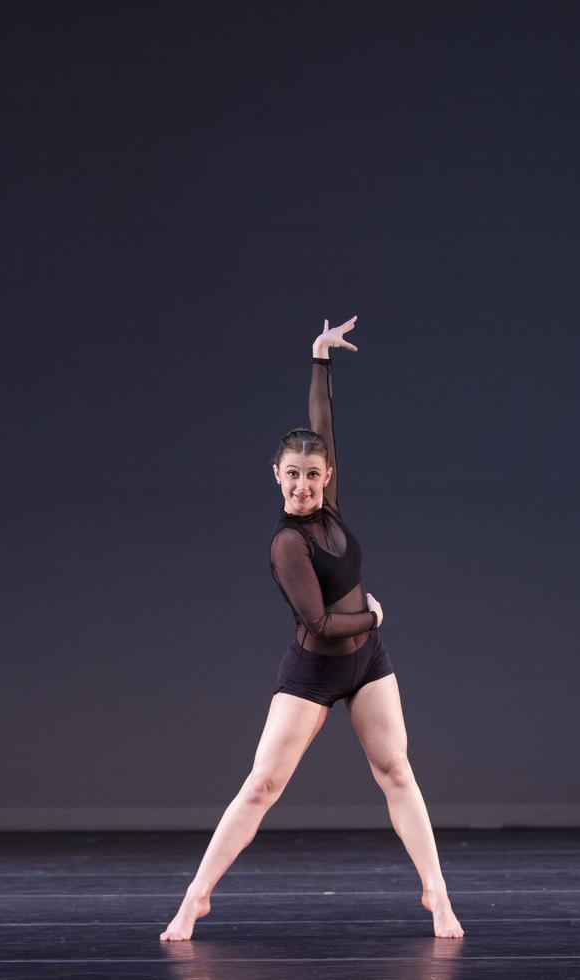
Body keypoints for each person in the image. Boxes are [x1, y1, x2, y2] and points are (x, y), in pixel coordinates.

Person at [160, 315, 464, 941]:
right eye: (292, 475)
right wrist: (375, 615)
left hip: (368, 664)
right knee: (263, 785)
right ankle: (194, 898)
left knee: (397, 772)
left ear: (327, 478)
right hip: (315, 670)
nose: (302, 485)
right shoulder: (286, 544)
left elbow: (323, 426)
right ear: (276, 476)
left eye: (313, 475)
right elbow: (322, 624)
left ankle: (436, 892)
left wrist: (319, 358)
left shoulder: (330, 503)